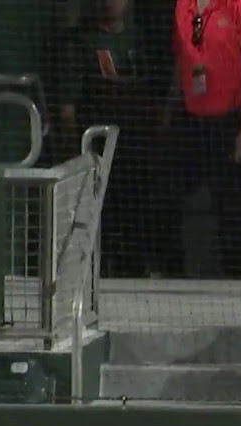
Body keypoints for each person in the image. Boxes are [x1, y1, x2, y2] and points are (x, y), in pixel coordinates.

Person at [58, 0, 173, 278]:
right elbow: (67, 108)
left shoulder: (143, 41)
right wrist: (75, 152)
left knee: (138, 213)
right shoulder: (78, 43)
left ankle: (136, 269)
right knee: (103, 217)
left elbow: (158, 96)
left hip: (137, 148)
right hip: (99, 149)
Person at [172, 0, 241, 278]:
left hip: (240, 119)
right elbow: (183, 60)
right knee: (209, 204)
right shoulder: (184, 5)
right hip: (197, 120)